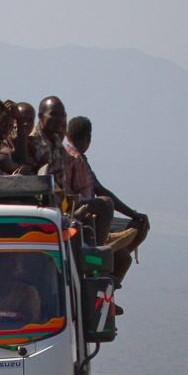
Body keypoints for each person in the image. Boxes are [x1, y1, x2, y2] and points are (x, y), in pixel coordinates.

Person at [65, 116, 149, 272]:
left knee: (128, 249)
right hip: (82, 220)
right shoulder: (71, 158)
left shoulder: (78, 158)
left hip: (92, 218)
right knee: (108, 206)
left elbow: (100, 189)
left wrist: (133, 214)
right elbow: (101, 195)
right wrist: (133, 214)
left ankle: (106, 273)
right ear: (88, 139)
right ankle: (97, 256)